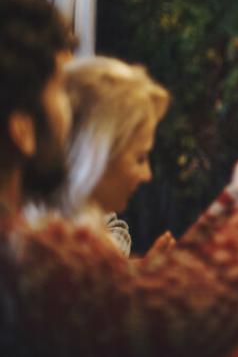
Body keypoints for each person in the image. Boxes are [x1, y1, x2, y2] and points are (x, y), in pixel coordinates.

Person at [0, 0, 238, 356]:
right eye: (57, 90)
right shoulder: (31, 256)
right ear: (22, 129)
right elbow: (194, 319)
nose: (70, 110)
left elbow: (162, 296)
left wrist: (236, 200)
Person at [25, 56, 172, 256]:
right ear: (96, 155)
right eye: (140, 158)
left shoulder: (86, 227)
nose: (147, 175)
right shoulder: (60, 249)